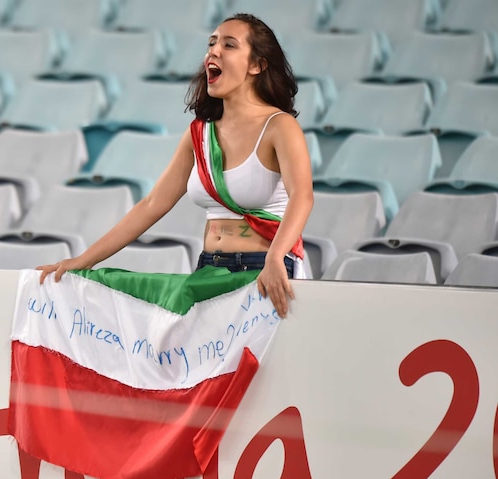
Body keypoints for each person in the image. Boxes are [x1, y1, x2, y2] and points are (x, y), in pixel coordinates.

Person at [36, 13, 313, 318]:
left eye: (229, 45)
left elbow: (302, 196)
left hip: (267, 268)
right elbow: (153, 203)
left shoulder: (279, 126)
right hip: (210, 268)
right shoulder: (199, 132)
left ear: (257, 65)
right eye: (211, 43)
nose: (214, 51)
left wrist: (275, 259)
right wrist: (85, 260)